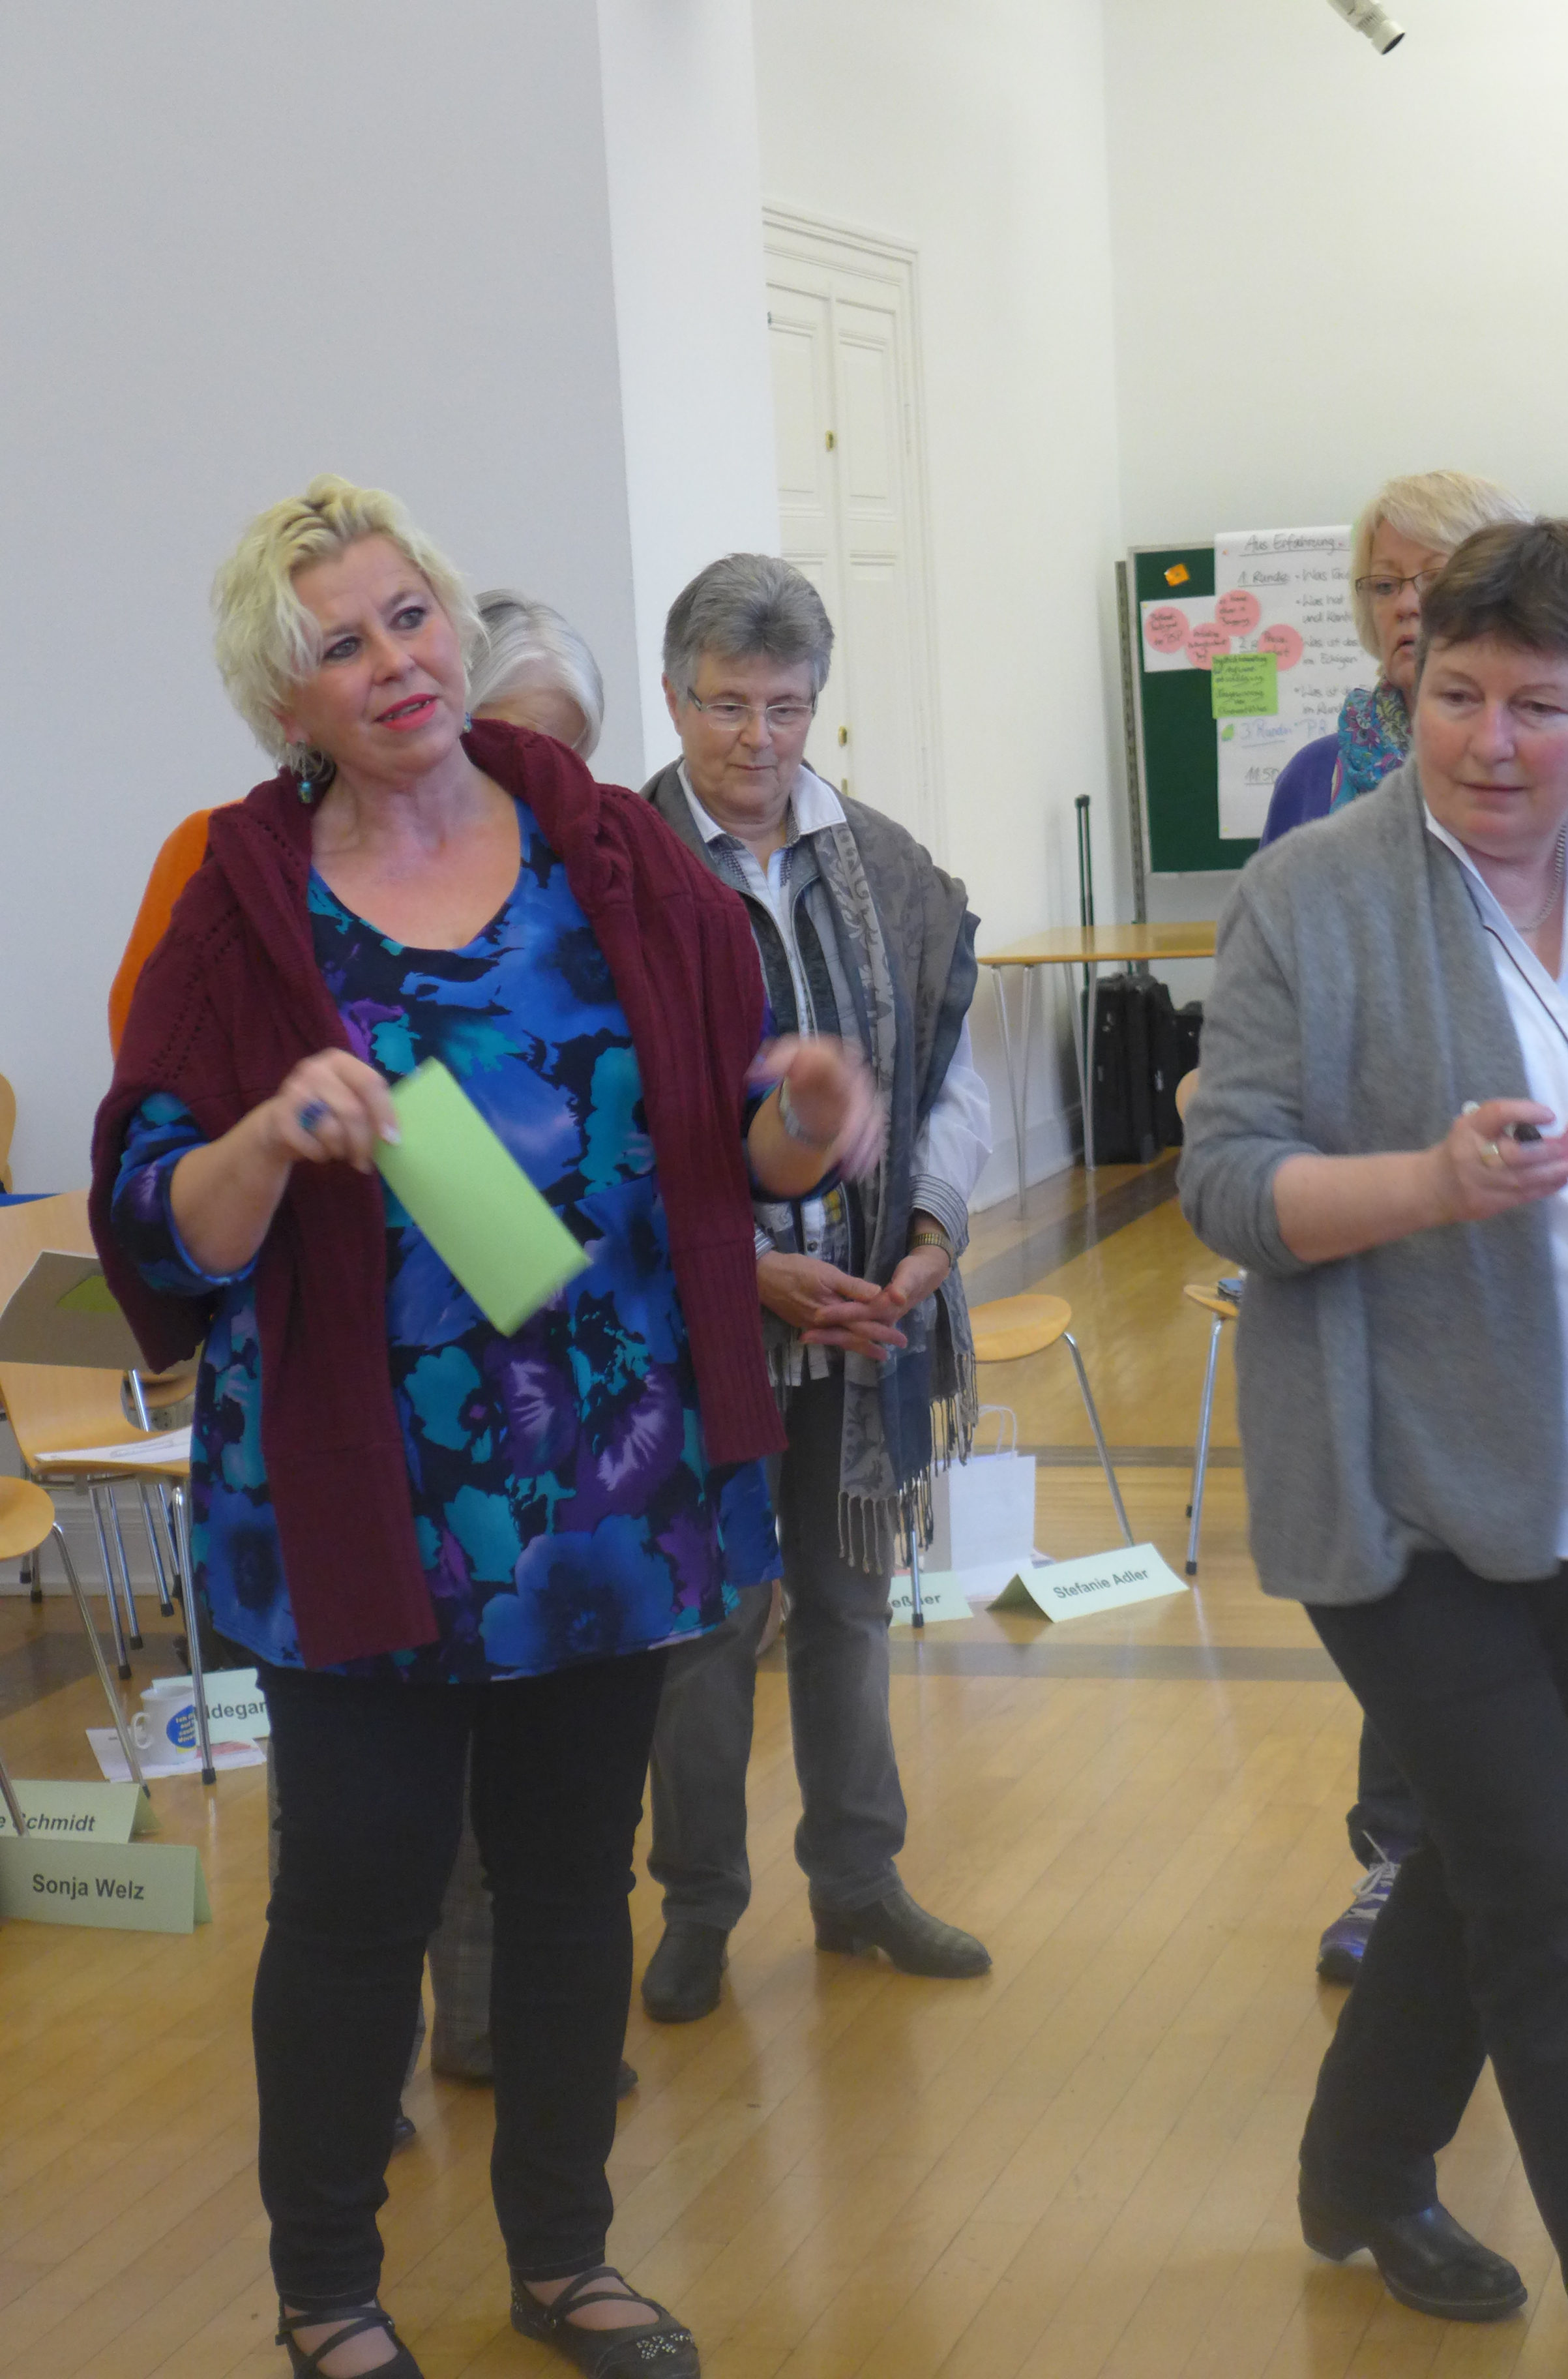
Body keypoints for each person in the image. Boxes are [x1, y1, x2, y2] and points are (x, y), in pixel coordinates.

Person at [91, 477, 881, 2379]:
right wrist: (267, 1135)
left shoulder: (606, 851)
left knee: (569, 1882)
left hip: (607, 1480)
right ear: (284, 699)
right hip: (362, 1488)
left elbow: (736, 1143)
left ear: (454, 627)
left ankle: (564, 2256)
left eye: (409, 616)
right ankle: (325, 2292)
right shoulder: (238, 897)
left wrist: (806, 1117)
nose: (393, 662)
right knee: (355, 1895)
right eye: (338, 645)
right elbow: (152, 1212)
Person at [1181, 518, 1568, 2367]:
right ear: (1408, 684)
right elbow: (1227, 1182)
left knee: (1477, 1857)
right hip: (1393, 1483)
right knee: (1559, 1912)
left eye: (1536, 706)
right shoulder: (1310, 890)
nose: (1488, 741)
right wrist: (1426, 1185)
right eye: (1454, 695)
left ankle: (1358, 2164)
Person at [1260, 472, 1568, 1996]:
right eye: (1386, 587)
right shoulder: (1319, 810)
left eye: (1433, 576)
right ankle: (1425, 1870)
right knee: (1469, 1756)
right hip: (1404, 1352)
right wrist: (1403, 1174)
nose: (1409, 607)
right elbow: (1263, 1090)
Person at [634, 553, 993, 2024]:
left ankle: (858, 1881)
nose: (758, 739)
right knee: (707, 1632)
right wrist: (743, 1269)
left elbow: (948, 1079)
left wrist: (929, 1234)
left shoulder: (889, 868)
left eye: (786, 707)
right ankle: (699, 1909)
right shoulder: (621, 874)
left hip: (866, 1316)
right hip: (696, 1325)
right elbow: (600, 1127)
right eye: (728, 705)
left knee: (849, 1603)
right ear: (674, 698)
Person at [106, 588, 606, 1057]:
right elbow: (153, 1065)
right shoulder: (217, 851)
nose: (538, 779)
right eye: (512, 747)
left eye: (568, 762)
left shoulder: (584, 867)